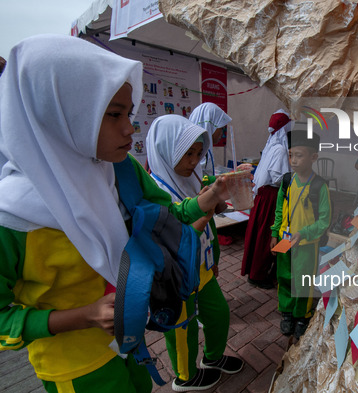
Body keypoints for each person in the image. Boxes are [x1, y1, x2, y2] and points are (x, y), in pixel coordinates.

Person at [0, 35, 233, 393]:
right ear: (60, 114)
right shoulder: (11, 215)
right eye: (113, 115)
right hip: (78, 369)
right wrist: (85, 316)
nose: (130, 129)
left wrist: (209, 198)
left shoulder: (119, 171)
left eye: (129, 113)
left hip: (129, 343)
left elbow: (166, 218)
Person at [146, 115, 243, 391]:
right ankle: (185, 376)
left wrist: (217, 206)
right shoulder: (156, 191)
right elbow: (180, 236)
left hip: (201, 268)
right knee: (182, 328)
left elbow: (208, 217)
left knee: (218, 313)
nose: (194, 160)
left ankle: (212, 358)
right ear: (167, 151)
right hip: (175, 274)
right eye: (188, 153)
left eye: (199, 153)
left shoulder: (191, 179)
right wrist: (210, 206)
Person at [270, 127, 331, 339]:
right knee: (285, 277)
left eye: (299, 155)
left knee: (303, 281)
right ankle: (287, 313)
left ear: (313, 157)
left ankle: (301, 315)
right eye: (290, 155)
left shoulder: (319, 186)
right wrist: (274, 233)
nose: (293, 160)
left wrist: (303, 233)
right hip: (285, 241)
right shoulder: (287, 182)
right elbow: (279, 209)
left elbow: (324, 219)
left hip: (306, 244)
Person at [241, 110, 292, 289]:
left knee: (259, 235)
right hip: (271, 197)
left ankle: (255, 271)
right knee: (266, 237)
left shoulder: (271, 146)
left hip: (262, 196)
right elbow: (279, 178)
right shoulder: (279, 149)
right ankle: (259, 274)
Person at [189, 102, 232, 176]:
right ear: (211, 126)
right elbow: (200, 181)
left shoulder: (206, 150)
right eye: (221, 128)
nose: (222, 133)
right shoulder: (196, 153)